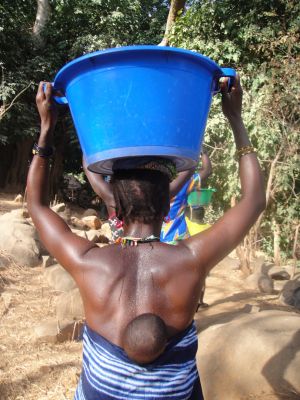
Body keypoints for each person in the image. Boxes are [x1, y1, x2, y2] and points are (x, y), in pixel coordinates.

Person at [27, 75, 265, 400]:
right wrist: (235, 118)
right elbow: (254, 200)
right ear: (168, 203)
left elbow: (36, 204)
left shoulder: (88, 262)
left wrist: (46, 129)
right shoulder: (190, 260)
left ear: (115, 205)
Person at [160, 151, 212, 244]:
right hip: (177, 240)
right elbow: (207, 170)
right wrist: (202, 151)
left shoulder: (146, 185)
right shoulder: (183, 183)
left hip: (153, 242)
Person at [185, 206, 211, 308]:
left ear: (193, 214)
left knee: (189, 281)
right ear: (203, 215)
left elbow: (184, 212)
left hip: (190, 257)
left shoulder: (189, 223)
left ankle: (190, 302)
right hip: (203, 259)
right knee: (202, 281)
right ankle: (200, 302)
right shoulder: (208, 227)